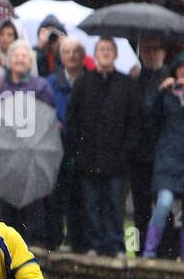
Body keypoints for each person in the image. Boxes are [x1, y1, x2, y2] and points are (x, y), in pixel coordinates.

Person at [64, 37, 140, 256]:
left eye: (109, 49)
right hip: (89, 158)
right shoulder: (83, 83)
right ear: (95, 54)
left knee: (114, 205)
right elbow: (73, 120)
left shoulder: (126, 84)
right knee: (91, 205)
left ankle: (116, 245)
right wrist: (79, 151)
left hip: (116, 159)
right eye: (101, 49)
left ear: (115, 55)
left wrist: (126, 152)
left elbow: (134, 122)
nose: (105, 53)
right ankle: (94, 245)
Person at [0, 40, 58, 243]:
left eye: (24, 56)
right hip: (6, 156)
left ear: (30, 61)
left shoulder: (41, 86)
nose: (19, 59)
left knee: (33, 206)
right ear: (8, 60)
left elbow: (50, 119)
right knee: (8, 206)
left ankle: (33, 247)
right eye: (15, 55)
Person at [46, 36, 89, 252]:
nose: (72, 56)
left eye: (76, 51)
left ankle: (76, 239)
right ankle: (54, 237)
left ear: (83, 56)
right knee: (56, 193)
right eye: (67, 52)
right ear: (61, 56)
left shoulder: (90, 80)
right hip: (56, 145)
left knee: (79, 194)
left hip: (81, 144)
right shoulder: (51, 82)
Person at [143, 53, 184, 259]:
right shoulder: (166, 94)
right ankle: (149, 250)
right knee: (164, 203)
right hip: (166, 160)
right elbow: (150, 118)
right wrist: (161, 92)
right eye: (181, 68)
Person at [131, 36, 170, 254]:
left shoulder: (168, 79)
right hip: (138, 154)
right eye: (146, 50)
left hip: (161, 154)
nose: (150, 54)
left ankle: (165, 250)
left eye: (155, 50)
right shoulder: (136, 79)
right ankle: (135, 248)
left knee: (163, 206)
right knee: (138, 209)